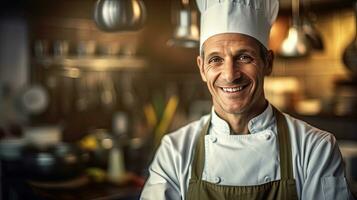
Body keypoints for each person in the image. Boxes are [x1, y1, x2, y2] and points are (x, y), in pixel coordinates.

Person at [140, 0, 355, 199]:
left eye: (244, 57)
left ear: (268, 62)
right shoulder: (176, 151)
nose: (230, 74)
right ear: (202, 68)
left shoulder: (315, 148)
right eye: (216, 59)